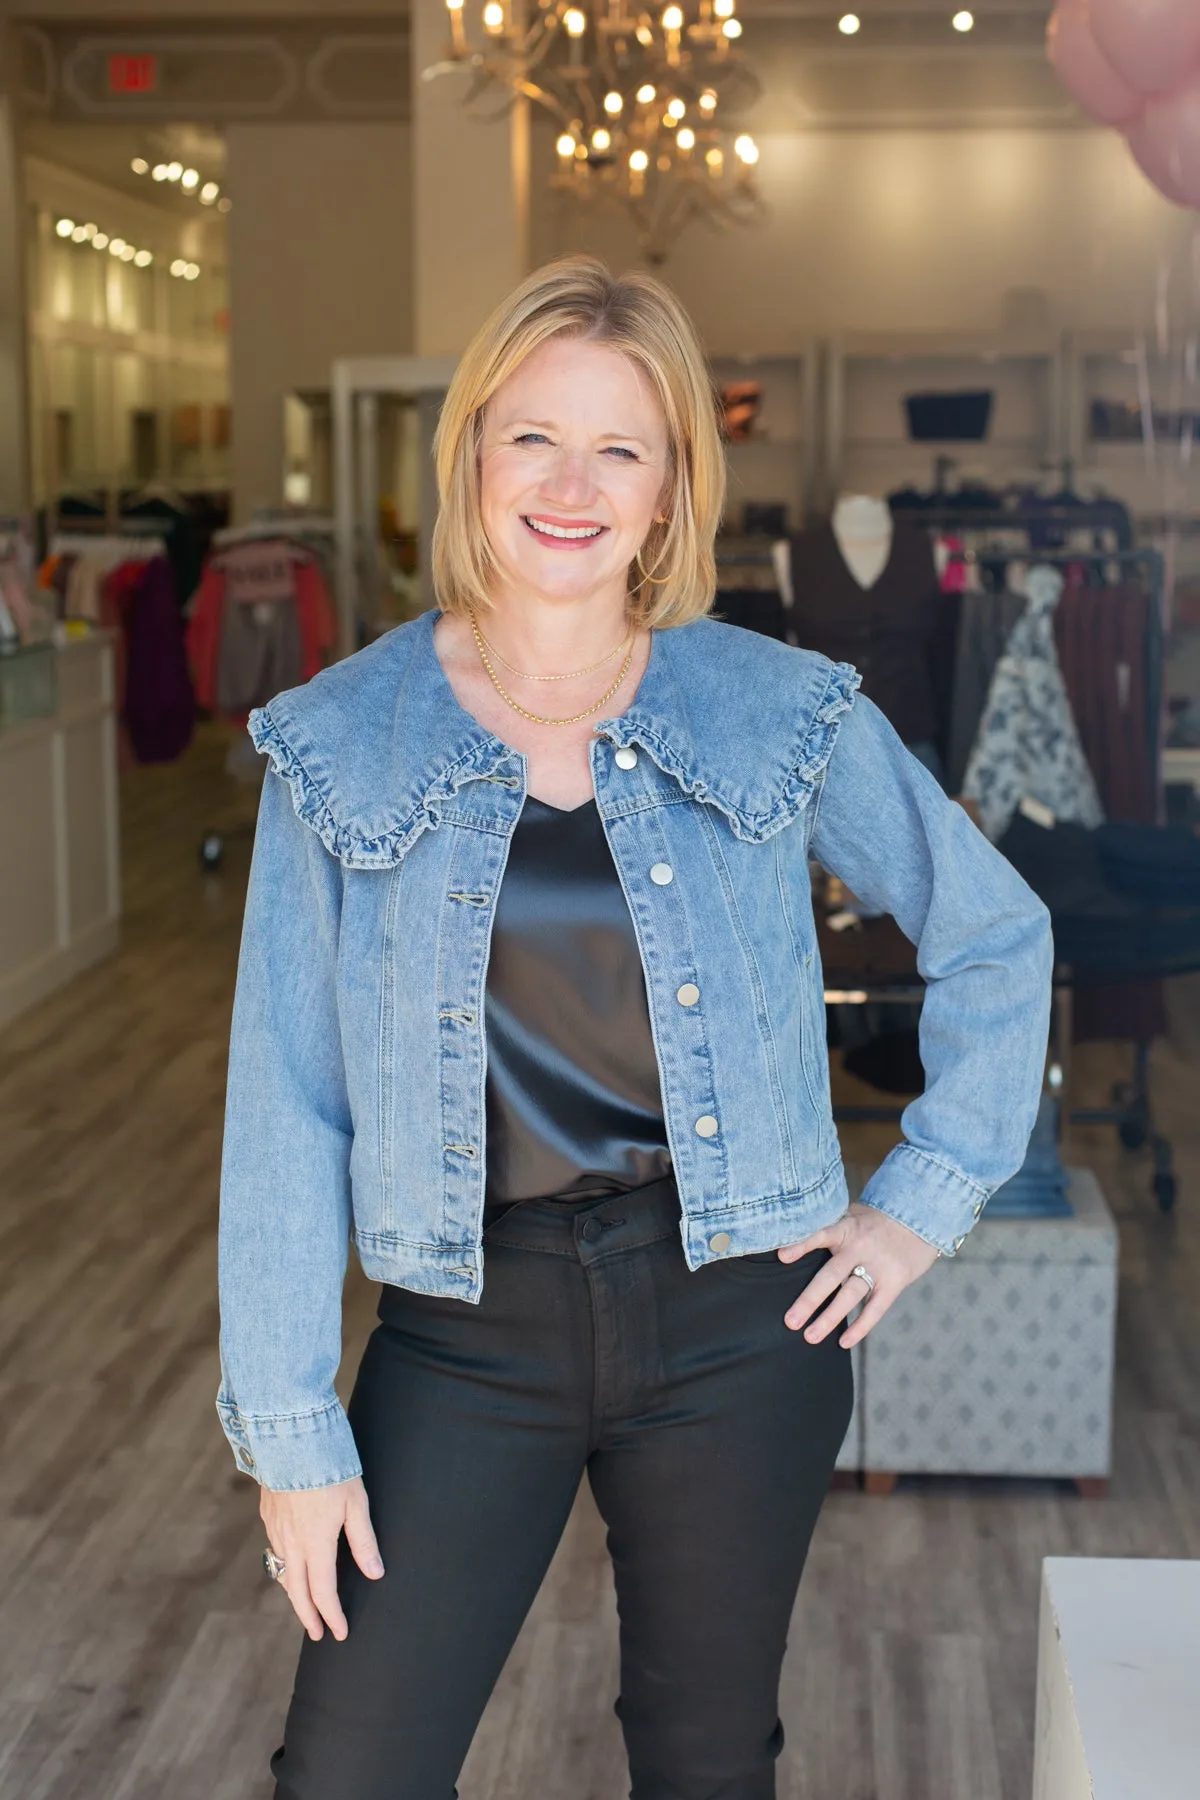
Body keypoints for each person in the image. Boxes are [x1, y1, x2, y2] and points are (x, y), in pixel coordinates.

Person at [216, 256, 1053, 1800]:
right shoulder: (342, 736)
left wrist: (919, 1208)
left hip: (741, 1317)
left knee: (706, 1758)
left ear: (672, 489)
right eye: (533, 435)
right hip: (469, 1335)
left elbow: (997, 929)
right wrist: (289, 1429)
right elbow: (287, 1099)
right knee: (349, 1772)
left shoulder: (775, 705)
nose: (572, 484)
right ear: (473, 454)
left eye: (623, 447)